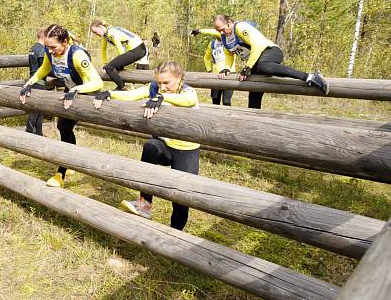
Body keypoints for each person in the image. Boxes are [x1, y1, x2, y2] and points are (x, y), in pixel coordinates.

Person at [93, 60, 199, 231]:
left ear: (179, 78)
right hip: (164, 145)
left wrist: (163, 97)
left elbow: (189, 99)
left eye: (166, 82)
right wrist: (110, 94)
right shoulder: (154, 89)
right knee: (150, 146)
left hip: (186, 150)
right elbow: (131, 95)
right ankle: (145, 205)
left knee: (180, 198)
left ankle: (175, 234)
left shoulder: (187, 90)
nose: (162, 87)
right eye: (159, 82)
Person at [20, 24, 103, 187]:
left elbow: (97, 82)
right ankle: (67, 166)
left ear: (65, 42)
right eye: (48, 47)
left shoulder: (77, 55)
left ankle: (61, 172)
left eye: (53, 47)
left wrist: (77, 90)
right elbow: (44, 69)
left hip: (85, 91)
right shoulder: (50, 53)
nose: (50, 51)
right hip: (71, 90)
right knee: (63, 127)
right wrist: (29, 83)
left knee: (64, 126)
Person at [191, 15, 329, 109]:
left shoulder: (241, 27)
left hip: (269, 51)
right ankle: (254, 122)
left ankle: (311, 77)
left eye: (222, 28)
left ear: (230, 22)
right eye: (218, 30)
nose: (222, 32)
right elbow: (229, 55)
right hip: (256, 61)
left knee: (264, 67)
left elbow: (257, 45)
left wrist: (247, 67)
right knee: (254, 94)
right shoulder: (225, 38)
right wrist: (227, 68)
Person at [90, 21, 148, 91]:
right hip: (139, 49)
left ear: (100, 27)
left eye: (95, 32)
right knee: (114, 67)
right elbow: (103, 49)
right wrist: (105, 62)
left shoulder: (111, 32)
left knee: (109, 67)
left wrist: (118, 64)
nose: (95, 34)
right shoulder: (106, 34)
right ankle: (120, 85)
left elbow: (119, 48)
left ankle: (123, 88)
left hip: (137, 49)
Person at [203, 35, 235, 106]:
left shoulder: (230, 42)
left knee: (226, 102)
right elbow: (206, 58)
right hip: (216, 76)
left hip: (229, 75)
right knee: (215, 101)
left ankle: (227, 116)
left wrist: (200, 31)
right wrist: (209, 70)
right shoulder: (212, 44)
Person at [26, 28, 47, 136]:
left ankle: (39, 133)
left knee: (39, 110)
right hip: (39, 82)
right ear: (44, 37)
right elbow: (44, 68)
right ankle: (28, 133)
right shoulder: (41, 50)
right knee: (35, 110)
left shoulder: (33, 48)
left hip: (32, 80)